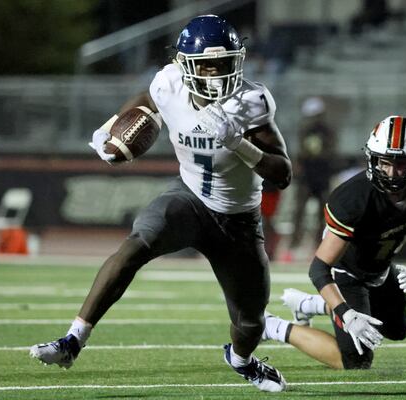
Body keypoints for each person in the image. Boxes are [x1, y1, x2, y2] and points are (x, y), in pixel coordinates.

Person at [29, 15, 291, 393]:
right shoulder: (169, 83)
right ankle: (73, 340)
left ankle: (241, 360)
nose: (216, 74)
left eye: (224, 63)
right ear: (185, 65)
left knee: (250, 322)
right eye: (206, 65)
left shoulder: (251, 102)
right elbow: (146, 101)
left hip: (238, 219)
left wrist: (239, 143)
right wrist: (112, 127)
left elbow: (282, 173)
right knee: (137, 244)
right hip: (189, 199)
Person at [262, 115, 406, 370]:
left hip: (382, 268)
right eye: (385, 162)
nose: (392, 173)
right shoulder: (353, 199)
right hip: (347, 273)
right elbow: (319, 268)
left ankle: (310, 305)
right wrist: (347, 314)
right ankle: (272, 326)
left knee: (397, 330)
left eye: (401, 164)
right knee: (355, 360)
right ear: (372, 159)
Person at [284, 96, 336, 261]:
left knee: (323, 214)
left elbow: (329, 153)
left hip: (320, 177)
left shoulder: (327, 132)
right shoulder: (303, 131)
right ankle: (293, 245)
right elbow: (300, 155)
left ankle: (319, 245)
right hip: (306, 178)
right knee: (298, 213)